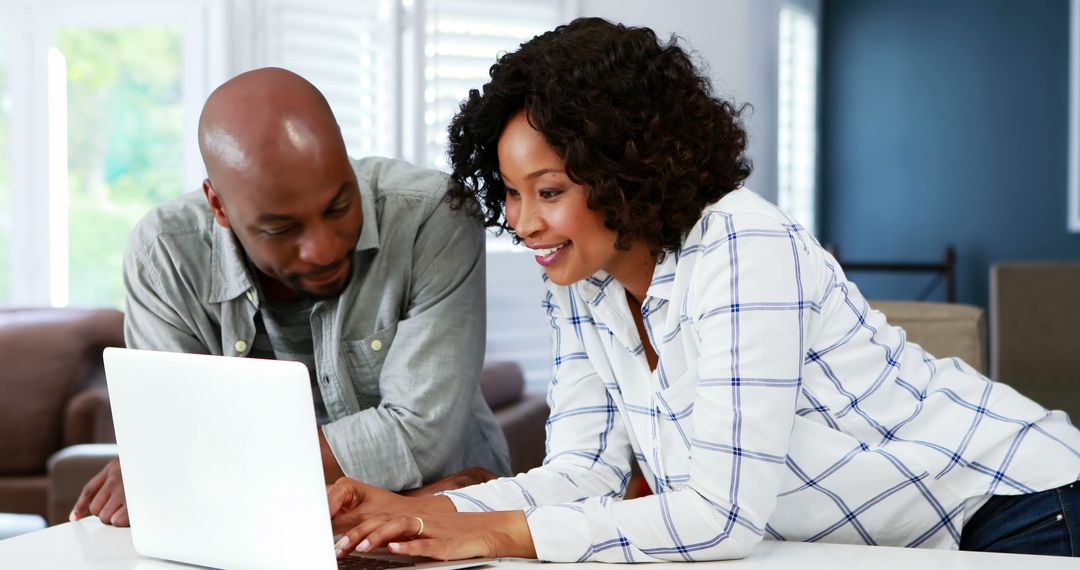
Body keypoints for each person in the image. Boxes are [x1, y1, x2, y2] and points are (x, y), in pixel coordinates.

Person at [324, 17, 1080, 562]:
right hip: (908, 536)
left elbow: (721, 518)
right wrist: (426, 512)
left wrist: (503, 533)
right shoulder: (581, 283)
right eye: (512, 194)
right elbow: (586, 472)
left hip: (1020, 505)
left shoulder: (740, 244)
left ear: (623, 169)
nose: (522, 224)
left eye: (548, 191)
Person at [69, 67, 511, 527]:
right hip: (258, 533)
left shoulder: (433, 216)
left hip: (442, 524)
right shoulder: (164, 254)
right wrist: (177, 463)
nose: (324, 247)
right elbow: (174, 439)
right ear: (218, 205)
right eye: (281, 228)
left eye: (339, 205)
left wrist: (190, 471)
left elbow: (419, 433)